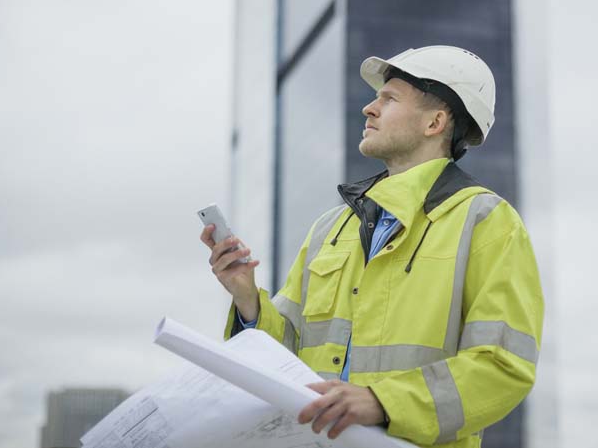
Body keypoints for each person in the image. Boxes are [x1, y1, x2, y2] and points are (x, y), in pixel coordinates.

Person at [200, 45, 543, 448]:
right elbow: (287, 357)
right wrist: (247, 301)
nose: (369, 108)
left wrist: (383, 402)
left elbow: (502, 365)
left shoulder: (486, 221)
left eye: (389, 98)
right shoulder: (332, 227)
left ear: (435, 122)